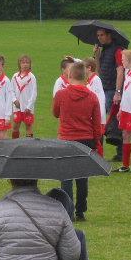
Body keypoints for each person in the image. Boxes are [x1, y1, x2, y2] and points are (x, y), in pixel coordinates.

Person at [52, 62, 102, 222]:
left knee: (65, 177)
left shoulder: (61, 94)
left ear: (69, 75)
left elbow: (55, 113)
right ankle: (81, 210)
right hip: (86, 139)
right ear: (86, 77)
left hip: (66, 138)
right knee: (82, 177)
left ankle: (68, 211)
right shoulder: (92, 97)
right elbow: (97, 123)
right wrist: (97, 143)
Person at [94, 29, 125, 161]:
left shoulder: (118, 50)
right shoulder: (104, 50)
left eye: (101, 35)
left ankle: (121, 153)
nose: (99, 38)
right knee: (101, 119)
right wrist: (96, 56)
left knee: (114, 121)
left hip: (113, 90)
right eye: (98, 35)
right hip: (104, 89)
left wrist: (118, 92)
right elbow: (99, 71)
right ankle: (99, 151)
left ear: (109, 35)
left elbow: (120, 71)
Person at [83, 58, 106, 157]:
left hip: (98, 117)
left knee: (97, 140)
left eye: (84, 67)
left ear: (89, 68)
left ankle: (100, 159)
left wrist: (98, 116)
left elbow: (99, 99)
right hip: (93, 116)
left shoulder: (96, 80)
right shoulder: (89, 80)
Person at [11, 55, 37, 138]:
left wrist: (29, 106)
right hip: (17, 106)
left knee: (28, 126)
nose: (25, 64)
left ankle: (29, 146)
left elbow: (34, 93)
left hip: (27, 107)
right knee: (15, 126)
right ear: (19, 64)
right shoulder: (15, 76)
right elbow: (11, 90)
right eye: (23, 62)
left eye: (27, 62)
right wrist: (14, 100)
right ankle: (14, 143)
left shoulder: (31, 77)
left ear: (30, 64)